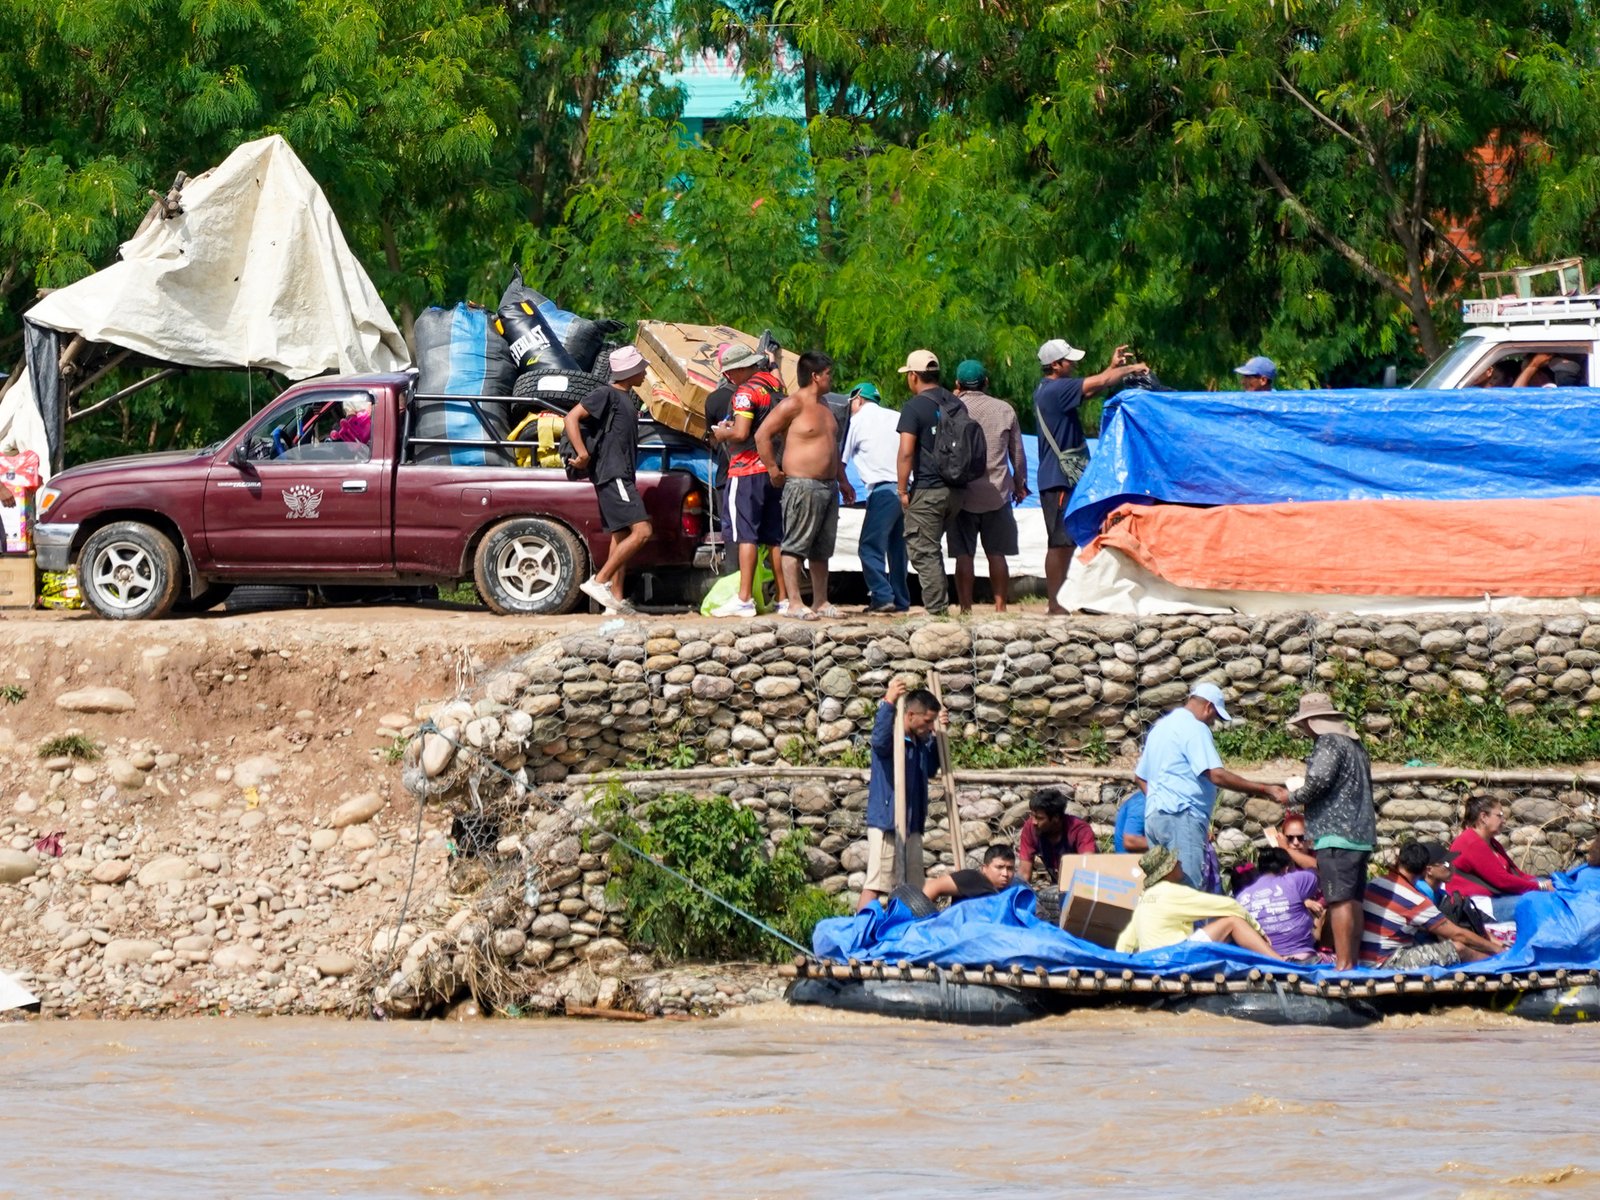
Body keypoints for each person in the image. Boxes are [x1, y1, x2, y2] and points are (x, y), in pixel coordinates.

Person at [1136, 682, 1290, 889]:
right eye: (1215, 717)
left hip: (1154, 818)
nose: (1213, 722)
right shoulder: (1195, 728)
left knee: (1163, 888)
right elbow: (1216, 775)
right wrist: (1264, 789)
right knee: (1187, 888)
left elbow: (1140, 777)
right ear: (1208, 707)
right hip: (1182, 816)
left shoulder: (1160, 728)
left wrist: (1161, 799)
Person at [1034, 338, 1149, 613]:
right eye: (1069, 360)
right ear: (1055, 365)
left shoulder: (1052, 389)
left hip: (1063, 477)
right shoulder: (1055, 389)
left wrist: (1111, 369)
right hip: (1060, 478)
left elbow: (1092, 388)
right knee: (1060, 543)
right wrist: (1133, 368)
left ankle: (1063, 600)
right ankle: (1054, 604)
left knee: (1068, 541)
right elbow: (1098, 382)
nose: (1073, 364)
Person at [1281, 692, 1377, 971]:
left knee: (1338, 900)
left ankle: (1343, 965)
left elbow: (1319, 781)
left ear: (1310, 722)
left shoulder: (1328, 742)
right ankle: (1352, 962)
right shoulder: (1354, 745)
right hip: (1359, 834)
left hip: (1337, 834)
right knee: (1354, 899)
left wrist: (1290, 796)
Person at [757, 351, 855, 620]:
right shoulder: (793, 405)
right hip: (802, 485)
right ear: (815, 376)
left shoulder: (826, 405)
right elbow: (762, 434)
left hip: (828, 486)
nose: (831, 378)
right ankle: (794, 603)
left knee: (822, 549)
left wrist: (843, 480)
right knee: (795, 545)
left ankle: (821, 601)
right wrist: (773, 469)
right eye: (828, 374)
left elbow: (832, 447)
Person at [564, 347, 654, 614]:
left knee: (621, 534)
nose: (645, 372)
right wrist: (582, 453)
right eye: (641, 368)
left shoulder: (626, 398)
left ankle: (614, 601)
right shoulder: (606, 394)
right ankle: (599, 581)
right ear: (629, 372)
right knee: (642, 532)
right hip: (613, 474)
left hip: (619, 474)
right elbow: (571, 417)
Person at [709, 343, 788, 618]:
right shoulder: (774, 386)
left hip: (747, 469)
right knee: (774, 537)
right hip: (773, 469)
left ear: (742, 368)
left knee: (746, 535)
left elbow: (742, 432)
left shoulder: (745, 392)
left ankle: (744, 599)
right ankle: (784, 597)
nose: (729, 378)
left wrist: (722, 434)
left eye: (731, 372)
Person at [859, 678, 948, 908]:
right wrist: (888, 703)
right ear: (910, 716)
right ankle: (859, 935)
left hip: (912, 824)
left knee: (914, 887)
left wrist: (939, 737)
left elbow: (930, 769)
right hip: (887, 822)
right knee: (876, 883)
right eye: (927, 721)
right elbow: (878, 741)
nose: (929, 726)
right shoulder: (892, 740)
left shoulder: (919, 742)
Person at [949, 360, 1027, 614]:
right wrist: (1020, 484)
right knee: (996, 554)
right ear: (986, 383)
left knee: (963, 554)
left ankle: (965, 609)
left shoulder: (952, 409)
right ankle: (1000, 607)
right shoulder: (1004, 410)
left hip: (962, 494)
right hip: (998, 492)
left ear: (958, 384)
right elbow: (1017, 454)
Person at [894, 349, 967, 615]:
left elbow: (906, 451)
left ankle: (937, 614)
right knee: (932, 548)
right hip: (957, 490)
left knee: (923, 550)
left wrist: (902, 489)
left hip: (927, 488)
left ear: (913, 376)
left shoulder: (914, 406)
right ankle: (944, 607)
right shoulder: (956, 403)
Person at [1115, 846, 1281, 957]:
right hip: (1175, 956)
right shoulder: (1173, 892)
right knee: (1233, 922)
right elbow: (1229, 905)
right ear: (1168, 870)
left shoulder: (1145, 897)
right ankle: (1279, 961)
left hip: (1152, 959)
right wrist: (1258, 929)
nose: (1180, 863)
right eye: (1175, 862)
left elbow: (1126, 941)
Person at [1361, 841, 1501, 968]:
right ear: (1425, 870)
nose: (1451, 867)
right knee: (1458, 949)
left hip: (1362, 957)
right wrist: (1496, 949)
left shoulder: (1375, 883)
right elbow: (1458, 934)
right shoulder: (1415, 900)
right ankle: (1498, 964)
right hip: (1386, 962)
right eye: (1446, 863)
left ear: (1398, 861)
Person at [842, 381, 910, 613]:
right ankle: (901, 600)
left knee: (869, 546)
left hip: (882, 490)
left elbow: (842, 459)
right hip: (906, 489)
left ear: (858, 399)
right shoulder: (896, 416)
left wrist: (843, 485)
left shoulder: (857, 421)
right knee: (897, 549)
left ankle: (882, 596)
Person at [1446, 795, 1551, 923]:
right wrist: (1541, 887)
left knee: (1550, 886)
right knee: (1539, 902)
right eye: (1499, 815)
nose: (1504, 820)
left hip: (1496, 896)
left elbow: (1517, 874)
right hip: (1478, 905)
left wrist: (1543, 883)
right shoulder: (1471, 842)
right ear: (1483, 817)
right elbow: (1502, 881)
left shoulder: (1493, 843)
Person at [1234, 848, 1322, 962]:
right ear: (1286, 869)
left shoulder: (1243, 896)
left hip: (1264, 960)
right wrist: (1288, 849)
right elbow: (1317, 868)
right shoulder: (1295, 880)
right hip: (1302, 958)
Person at [1016, 788, 1098, 886]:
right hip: (1058, 885)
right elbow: (1024, 873)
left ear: (1056, 818)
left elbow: (1087, 868)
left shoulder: (1080, 830)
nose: (1033, 822)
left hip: (1083, 884)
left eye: (1039, 818)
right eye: (1032, 816)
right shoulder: (1031, 828)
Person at [923, 844, 1018, 906]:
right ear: (984, 868)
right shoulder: (974, 879)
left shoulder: (1012, 890)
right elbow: (932, 886)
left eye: (1010, 868)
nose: (1005, 874)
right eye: (999, 867)